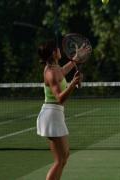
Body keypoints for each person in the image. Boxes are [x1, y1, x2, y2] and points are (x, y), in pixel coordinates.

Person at [36, 40, 88, 180]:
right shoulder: (51, 73)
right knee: (59, 160)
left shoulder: (55, 68)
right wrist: (73, 83)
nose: (60, 50)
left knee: (64, 157)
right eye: (57, 49)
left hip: (56, 114)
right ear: (54, 53)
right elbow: (60, 98)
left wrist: (76, 58)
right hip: (51, 115)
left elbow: (64, 70)